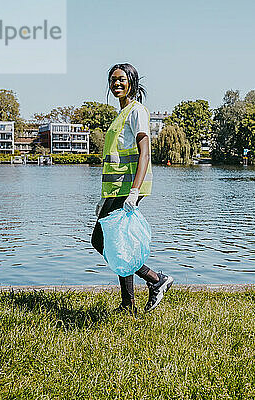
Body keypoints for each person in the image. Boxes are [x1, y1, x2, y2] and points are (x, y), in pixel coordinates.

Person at [91, 63, 173, 314]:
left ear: (132, 82)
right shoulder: (121, 113)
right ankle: (128, 304)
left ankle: (156, 279)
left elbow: (144, 152)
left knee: (101, 240)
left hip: (128, 188)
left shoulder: (137, 111)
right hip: (116, 190)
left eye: (122, 79)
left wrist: (134, 191)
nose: (116, 84)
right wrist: (104, 199)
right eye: (113, 80)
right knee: (116, 243)